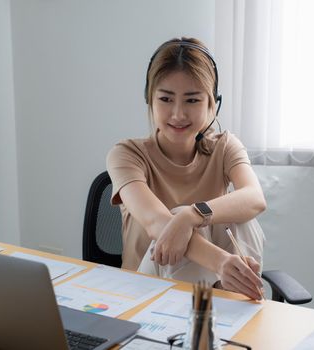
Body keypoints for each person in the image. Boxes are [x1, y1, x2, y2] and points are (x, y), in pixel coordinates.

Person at [106, 37, 266, 300]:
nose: (178, 114)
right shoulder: (126, 154)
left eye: (192, 100)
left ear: (212, 103)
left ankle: (234, 289)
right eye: (166, 99)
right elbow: (156, 222)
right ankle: (228, 288)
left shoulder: (225, 146)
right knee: (172, 223)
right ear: (150, 99)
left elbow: (255, 198)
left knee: (240, 214)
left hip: (211, 285)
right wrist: (221, 262)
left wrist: (191, 215)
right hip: (146, 291)